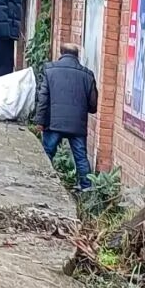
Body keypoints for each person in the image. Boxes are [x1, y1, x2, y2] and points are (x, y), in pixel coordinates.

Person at [34, 40, 98, 192]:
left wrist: (40, 121)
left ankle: (43, 182)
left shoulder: (50, 70)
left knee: (48, 152)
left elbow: (43, 98)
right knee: (81, 157)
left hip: (54, 122)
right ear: (77, 56)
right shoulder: (88, 75)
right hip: (77, 124)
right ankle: (86, 188)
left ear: (61, 53)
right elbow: (93, 105)